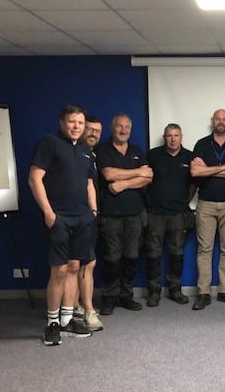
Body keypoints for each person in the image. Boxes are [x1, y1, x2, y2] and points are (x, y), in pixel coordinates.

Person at [28, 104, 95, 345]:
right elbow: (34, 178)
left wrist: (93, 212)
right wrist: (48, 212)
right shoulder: (50, 143)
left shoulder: (86, 150)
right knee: (59, 270)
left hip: (83, 218)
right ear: (62, 123)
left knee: (75, 267)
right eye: (72, 121)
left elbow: (89, 183)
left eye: (80, 122)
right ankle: (52, 323)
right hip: (60, 218)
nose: (76, 126)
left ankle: (67, 320)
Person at [95, 113, 153, 315]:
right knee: (112, 259)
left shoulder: (137, 151)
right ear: (113, 128)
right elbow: (108, 174)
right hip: (110, 215)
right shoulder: (102, 149)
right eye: (119, 126)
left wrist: (122, 185)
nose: (123, 130)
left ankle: (126, 296)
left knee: (132, 257)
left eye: (127, 126)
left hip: (135, 214)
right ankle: (109, 298)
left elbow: (148, 177)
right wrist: (137, 172)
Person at [190, 109, 225, 310]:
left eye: (224, 119)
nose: (221, 122)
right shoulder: (201, 144)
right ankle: (203, 293)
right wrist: (223, 167)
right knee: (204, 249)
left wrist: (208, 169)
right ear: (212, 121)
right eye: (217, 119)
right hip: (205, 203)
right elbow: (195, 172)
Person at [144, 123, 196, 307]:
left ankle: (175, 290)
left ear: (181, 137)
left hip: (178, 214)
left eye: (176, 135)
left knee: (177, 254)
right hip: (155, 213)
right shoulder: (153, 155)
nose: (173, 139)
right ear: (164, 137)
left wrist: (183, 201)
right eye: (169, 135)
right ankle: (154, 292)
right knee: (153, 254)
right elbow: (144, 180)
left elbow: (193, 184)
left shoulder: (189, 156)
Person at [72, 115, 104, 330]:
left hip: (88, 217)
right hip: (72, 216)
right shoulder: (71, 152)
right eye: (90, 129)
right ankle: (84, 310)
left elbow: (90, 185)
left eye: (97, 131)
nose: (94, 134)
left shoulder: (90, 155)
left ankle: (80, 307)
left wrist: (93, 211)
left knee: (86, 263)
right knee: (77, 264)